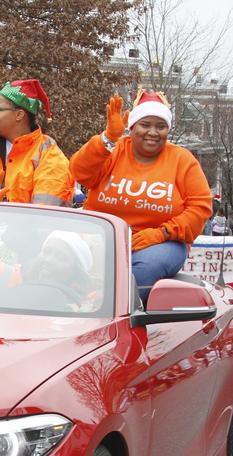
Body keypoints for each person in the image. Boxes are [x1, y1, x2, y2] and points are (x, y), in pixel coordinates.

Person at [70, 90, 211, 301]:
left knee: (142, 270)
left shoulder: (183, 160)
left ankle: (106, 310)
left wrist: (160, 233)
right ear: (133, 126)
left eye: (160, 126)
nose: (153, 132)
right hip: (102, 237)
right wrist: (107, 139)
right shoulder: (115, 150)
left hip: (161, 243)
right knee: (56, 250)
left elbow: (200, 209)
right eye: (145, 125)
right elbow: (80, 172)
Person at [26, 231, 99, 311]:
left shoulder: (75, 309)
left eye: (60, 257)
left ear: (76, 273)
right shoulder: (19, 287)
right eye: (46, 252)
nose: (48, 260)